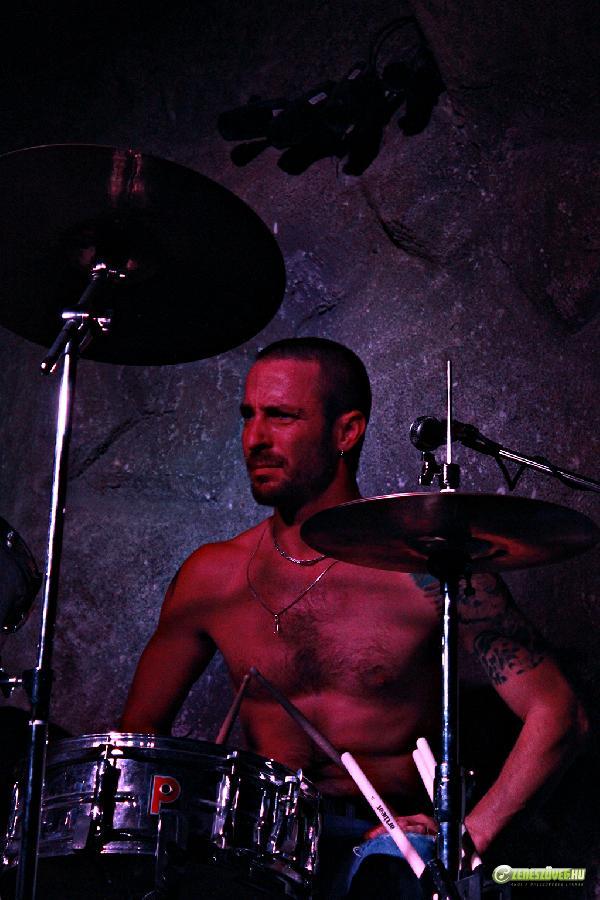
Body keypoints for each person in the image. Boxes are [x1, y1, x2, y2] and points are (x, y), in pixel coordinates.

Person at [121, 337, 587, 898]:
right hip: (263, 852)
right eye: (248, 415)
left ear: (347, 431)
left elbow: (557, 712)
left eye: (282, 416)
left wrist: (468, 837)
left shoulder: (428, 566)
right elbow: (134, 742)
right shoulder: (211, 576)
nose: (255, 438)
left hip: (392, 848)